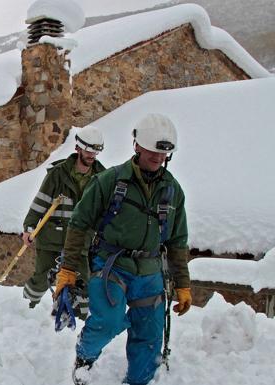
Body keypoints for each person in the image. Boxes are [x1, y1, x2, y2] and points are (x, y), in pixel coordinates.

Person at [53, 113, 192, 385]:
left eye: (163, 152)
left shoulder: (173, 190)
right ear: (137, 146)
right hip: (111, 265)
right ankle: (84, 357)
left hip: (150, 272)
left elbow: (177, 241)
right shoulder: (110, 181)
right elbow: (79, 224)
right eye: (152, 149)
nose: (157, 157)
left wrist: (183, 284)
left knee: (149, 336)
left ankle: (138, 381)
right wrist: (68, 270)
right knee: (109, 321)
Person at [22, 125, 105, 312]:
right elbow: (40, 203)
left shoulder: (101, 177)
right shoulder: (58, 174)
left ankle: (80, 320)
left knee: (82, 282)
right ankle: (25, 310)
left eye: (96, 151)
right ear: (78, 148)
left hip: (80, 242)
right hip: (52, 238)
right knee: (42, 278)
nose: (92, 155)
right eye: (88, 150)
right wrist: (29, 228)